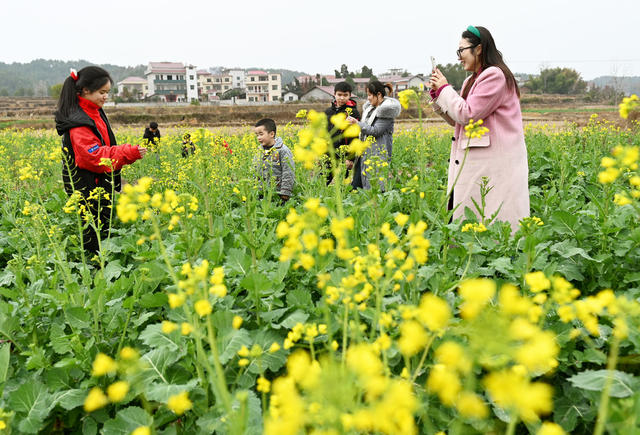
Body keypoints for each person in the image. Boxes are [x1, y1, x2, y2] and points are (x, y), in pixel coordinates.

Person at [428, 25, 529, 232]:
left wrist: (446, 88)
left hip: (494, 163)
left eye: (462, 50)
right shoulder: (470, 81)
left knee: (494, 218)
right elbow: (459, 122)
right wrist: (438, 97)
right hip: (477, 162)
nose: (459, 57)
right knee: (473, 218)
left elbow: (468, 113)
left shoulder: (495, 75)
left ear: (479, 49)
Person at [55, 66, 147, 254]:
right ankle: (94, 270)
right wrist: (127, 152)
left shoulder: (93, 111)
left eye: (107, 92)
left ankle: (101, 264)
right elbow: (93, 157)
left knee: (102, 227)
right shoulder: (79, 122)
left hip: (98, 182)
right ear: (86, 91)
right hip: (87, 185)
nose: (106, 97)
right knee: (93, 233)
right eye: (101, 92)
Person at [346, 80, 401, 190]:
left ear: (379, 95)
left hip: (377, 155)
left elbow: (375, 131)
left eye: (370, 95)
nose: (368, 98)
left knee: (375, 187)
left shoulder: (386, 111)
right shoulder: (371, 109)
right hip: (365, 153)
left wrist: (357, 124)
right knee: (357, 186)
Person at [324, 81, 361, 185]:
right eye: (339, 95)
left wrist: (351, 158)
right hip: (329, 152)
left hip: (345, 154)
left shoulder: (353, 113)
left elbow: (355, 136)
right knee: (322, 182)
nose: (342, 98)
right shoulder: (328, 112)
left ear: (350, 96)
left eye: (345, 95)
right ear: (334, 94)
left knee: (343, 185)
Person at [254, 118, 295, 203]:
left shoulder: (282, 150)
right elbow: (255, 170)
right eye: (257, 135)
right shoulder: (259, 151)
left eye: (261, 134)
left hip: (278, 194)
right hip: (262, 192)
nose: (258, 138)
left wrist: (285, 192)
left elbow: (288, 172)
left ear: (272, 134)